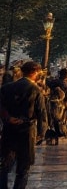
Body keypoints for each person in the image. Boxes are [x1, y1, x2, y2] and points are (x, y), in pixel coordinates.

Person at [0, 61, 46, 189]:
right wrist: (41, 133)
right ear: (35, 72)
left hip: (9, 130)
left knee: (4, 165)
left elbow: (1, 107)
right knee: (23, 168)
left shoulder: (6, 88)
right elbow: (41, 113)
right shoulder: (36, 90)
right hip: (27, 132)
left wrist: (8, 118)